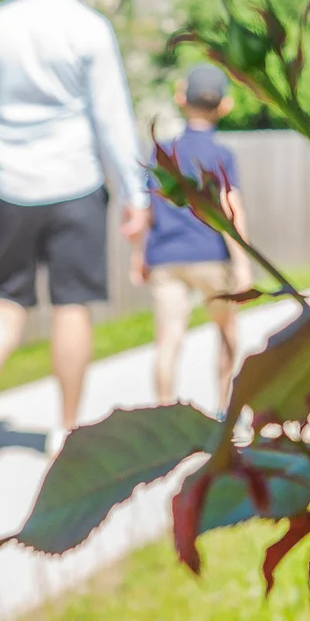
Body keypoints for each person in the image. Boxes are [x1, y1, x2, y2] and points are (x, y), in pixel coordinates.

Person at [0, 0, 147, 469]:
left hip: (11, 184)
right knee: (70, 305)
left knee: (7, 294)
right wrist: (136, 192)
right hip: (75, 183)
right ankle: (65, 428)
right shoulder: (90, 28)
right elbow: (112, 116)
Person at [132, 64, 254, 405]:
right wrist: (242, 262)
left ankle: (164, 413)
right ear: (225, 106)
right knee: (227, 332)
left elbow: (147, 210)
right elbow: (231, 209)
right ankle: (224, 411)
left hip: (166, 258)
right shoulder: (221, 155)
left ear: (180, 97)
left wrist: (139, 254)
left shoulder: (162, 154)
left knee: (168, 341)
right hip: (210, 255)